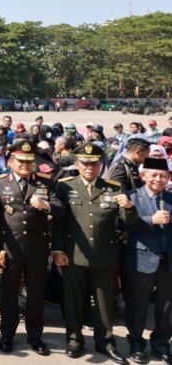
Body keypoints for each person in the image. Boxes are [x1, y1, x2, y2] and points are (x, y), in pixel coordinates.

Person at [52, 143, 139, 364]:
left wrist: (129, 207)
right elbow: (59, 223)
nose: (89, 167)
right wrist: (58, 250)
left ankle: (106, 342)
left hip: (104, 255)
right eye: (85, 163)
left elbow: (127, 222)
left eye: (94, 163)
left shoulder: (113, 187)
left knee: (103, 303)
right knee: (73, 301)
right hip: (73, 254)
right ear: (77, 163)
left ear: (101, 165)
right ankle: (74, 339)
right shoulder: (64, 186)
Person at [0, 141, 62, 355]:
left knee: (36, 295)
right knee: (8, 294)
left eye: (29, 161)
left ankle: (35, 337)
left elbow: (61, 209)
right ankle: (7, 335)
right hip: (9, 250)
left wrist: (47, 205)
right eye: (20, 161)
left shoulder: (45, 182)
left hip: (37, 250)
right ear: (11, 161)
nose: (25, 165)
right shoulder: (0, 184)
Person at [123, 157, 172, 364]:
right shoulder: (131, 197)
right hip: (141, 259)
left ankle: (161, 344)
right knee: (138, 304)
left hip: (168, 260)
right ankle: (136, 343)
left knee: (166, 306)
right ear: (143, 176)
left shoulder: (170, 198)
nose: (158, 179)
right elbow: (122, 225)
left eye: (163, 176)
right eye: (153, 175)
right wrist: (151, 220)